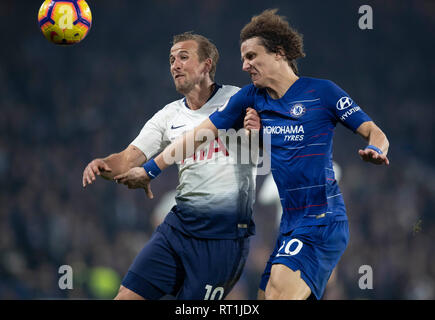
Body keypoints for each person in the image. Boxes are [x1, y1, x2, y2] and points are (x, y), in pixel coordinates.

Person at [115, 9, 390, 300]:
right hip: (290, 225)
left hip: (322, 219)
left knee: (276, 296)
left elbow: (376, 132)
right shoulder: (250, 97)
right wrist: (150, 169)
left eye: (251, 57)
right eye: (243, 58)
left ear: (279, 53)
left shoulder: (323, 93)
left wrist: (375, 149)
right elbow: (198, 135)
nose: (245, 66)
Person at [82, 32, 257, 300]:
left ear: (206, 64)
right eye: (171, 59)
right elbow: (128, 158)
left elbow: (264, 142)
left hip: (224, 238)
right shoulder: (168, 116)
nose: (175, 64)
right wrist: (103, 164)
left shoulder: (239, 100)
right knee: (126, 297)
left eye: (183, 57)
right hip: (178, 229)